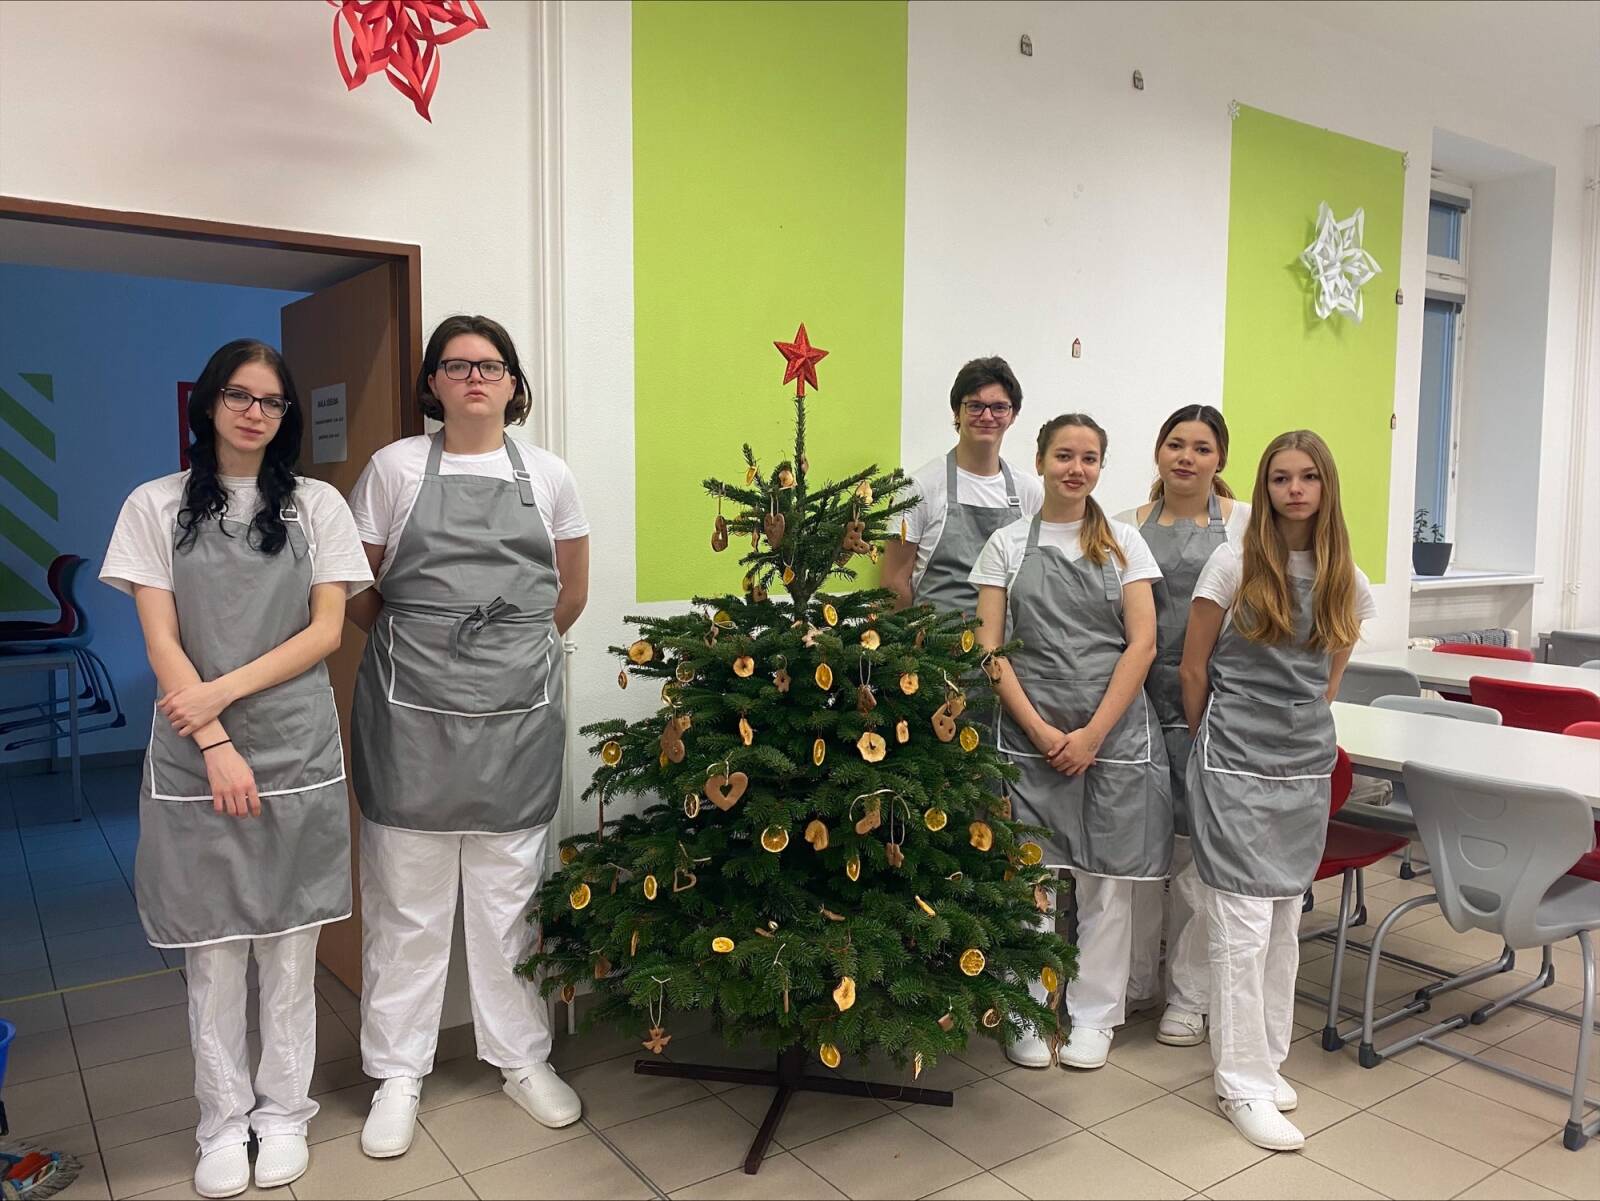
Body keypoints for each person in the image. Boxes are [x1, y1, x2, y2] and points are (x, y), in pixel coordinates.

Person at [102, 340, 372, 1198]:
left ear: (287, 415)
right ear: (209, 403)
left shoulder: (318, 506)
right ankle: (221, 1122)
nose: (255, 412)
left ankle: (284, 1111)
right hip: (195, 755)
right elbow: (160, 639)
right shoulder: (154, 504)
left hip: (294, 744)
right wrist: (215, 739)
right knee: (213, 951)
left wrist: (220, 692)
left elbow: (325, 631)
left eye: (272, 400)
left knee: (290, 949)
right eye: (239, 395)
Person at [346, 315, 590, 1157]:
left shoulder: (549, 475)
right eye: (457, 365)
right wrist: (424, 643)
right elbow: (357, 589)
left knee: (509, 901)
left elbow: (569, 593)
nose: (475, 378)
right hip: (410, 715)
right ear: (433, 383)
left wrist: (510, 654)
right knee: (405, 905)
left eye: (490, 366)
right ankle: (397, 1073)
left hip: (515, 717)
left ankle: (521, 1057)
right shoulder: (394, 468)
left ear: (514, 384)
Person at [1179, 429, 1374, 1151]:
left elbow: (1330, 676)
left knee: (1286, 916)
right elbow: (1193, 668)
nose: (1294, 489)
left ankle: (1267, 1057)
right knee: (1241, 925)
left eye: (1308, 477)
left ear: (1326, 486)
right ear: (1263, 487)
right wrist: (1217, 739)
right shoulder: (1233, 562)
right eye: (1281, 477)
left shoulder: (1344, 575)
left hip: (1302, 764)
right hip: (1233, 758)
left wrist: (1296, 729)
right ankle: (1240, 1083)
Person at [974, 413, 1169, 1069]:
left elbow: (1142, 644)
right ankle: (1027, 1011)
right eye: (1063, 455)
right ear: (1040, 460)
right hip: (1029, 731)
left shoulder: (1125, 544)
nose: (1075, 468)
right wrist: (1040, 730)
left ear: (1100, 467)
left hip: (1111, 733)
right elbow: (989, 650)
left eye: (1089, 458)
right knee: (1029, 877)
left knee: (1105, 882)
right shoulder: (1006, 543)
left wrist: (1091, 734)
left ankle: (1094, 1016)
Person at [1115, 405, 1250, 1049]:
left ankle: (1191, 995)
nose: (1186, 457)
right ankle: (1136, 979)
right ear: (1158, 451)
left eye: (1201, 447)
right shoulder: (1123, 526)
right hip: (1138, 707)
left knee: (1200, 858)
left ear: (1220, 458)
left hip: (1218, 707)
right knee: (1140, 852)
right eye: (1176, 444)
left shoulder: (1246, 525)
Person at [884, 356, 1043, 613]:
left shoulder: (1030, 492)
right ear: (956, 411)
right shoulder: (919, 487)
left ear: (1013, 415)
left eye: (999, 407)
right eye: (975, 406)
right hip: (933, 634)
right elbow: (894, 583)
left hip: (1008, 635)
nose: (987, 416)